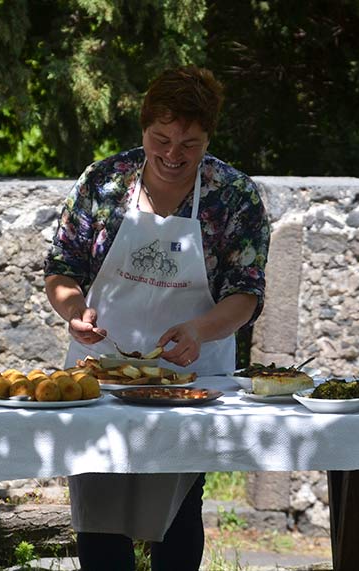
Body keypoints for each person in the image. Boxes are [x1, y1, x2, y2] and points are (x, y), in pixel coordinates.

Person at [43, 66, 271, 570]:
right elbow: (61, 268)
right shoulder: (103, 183)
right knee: (100, 518)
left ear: (208, 136)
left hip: (191, 379)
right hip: (98, 376)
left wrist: (198, 329)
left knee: (179, 515)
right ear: (143, 128)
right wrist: (75, 310)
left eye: (189, 143)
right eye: (160, 138)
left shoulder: (233, 196)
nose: (172, 155)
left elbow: (245, 294)